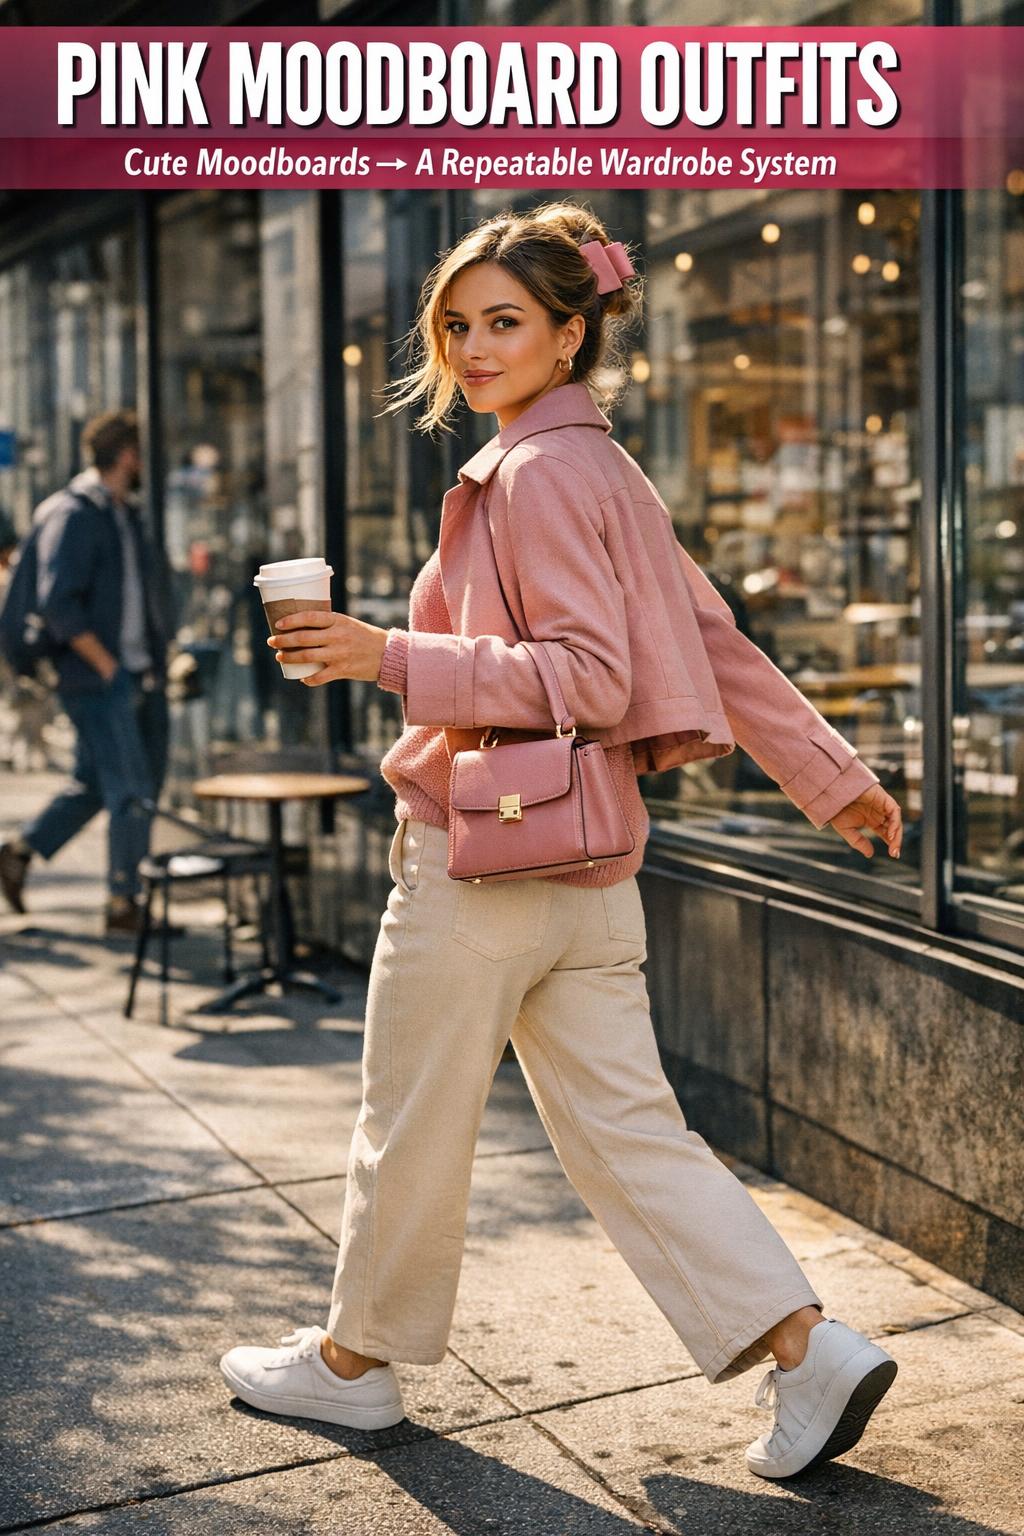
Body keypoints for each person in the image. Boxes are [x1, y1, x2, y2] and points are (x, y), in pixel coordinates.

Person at [219, 204, 904, 1481]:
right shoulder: (608, 470)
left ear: (570, 331)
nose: (474, 349)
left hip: (482, 864)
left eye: (505, 324)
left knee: (408, 1122)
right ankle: (808, 1354)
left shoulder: (528, 476)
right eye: (458, 325)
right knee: (636, 1133)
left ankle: (353, 1369)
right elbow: (708, 647)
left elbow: (586, 675)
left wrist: (389, 655)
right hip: (589, 871)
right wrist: (833, 779)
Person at [0, 409, 174, 935]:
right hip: (95, 679)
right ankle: (124, 904)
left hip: (136, 674)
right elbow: (58, 605)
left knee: (95, 785)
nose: (146, 464)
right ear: (126, 456)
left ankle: (20, 851)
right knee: (133, 791)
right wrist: (109, 667)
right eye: (141, 453)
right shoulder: (74, 513)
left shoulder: (123, 513)